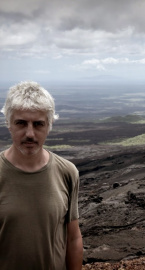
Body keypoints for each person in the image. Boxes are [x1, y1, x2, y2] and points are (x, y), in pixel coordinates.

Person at [0, 81, 83, 270]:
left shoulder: (67, 172)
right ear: (8, 123)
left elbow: (73, 237)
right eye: (21, 123)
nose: (30, 133)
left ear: (49, 125)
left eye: (38, 124)